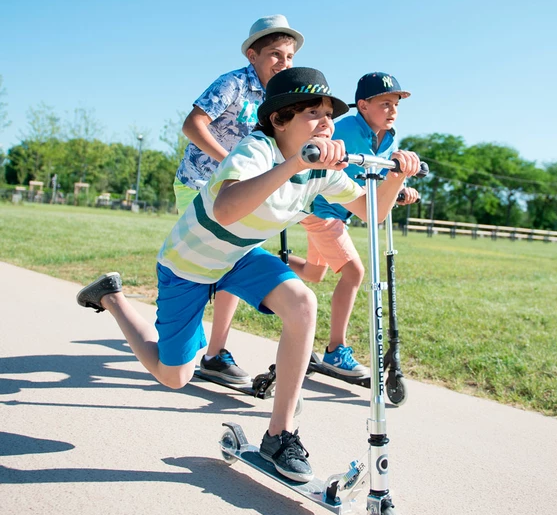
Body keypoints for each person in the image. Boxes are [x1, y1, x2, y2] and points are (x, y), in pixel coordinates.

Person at [76, 67, 420, 483]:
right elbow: (225, 210)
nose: (327, 122)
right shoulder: (256, 149)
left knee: (301, 303)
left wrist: (396, 175)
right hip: (190, 263)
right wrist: (294, 163)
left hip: (239, 255)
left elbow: (373, 210)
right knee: (174, 376)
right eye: (314, 112)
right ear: (279, 119)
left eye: (329, 113)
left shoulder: (321, 168)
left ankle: (280, 435)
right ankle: (112, 298)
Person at [174, 14, 304, 387]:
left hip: (244, 190)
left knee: (235, 258)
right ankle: (185, 345)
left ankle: (214, 354)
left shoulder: (281, 98)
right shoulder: (232, 83)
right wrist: (227, 164)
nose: (283, 63)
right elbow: (192, 124)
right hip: (200, 182)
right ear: (253, 55)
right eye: (275, 55)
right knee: (208, 261)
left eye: (289, 57)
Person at [287, 72, 420, 378]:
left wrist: (397, 190)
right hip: (320, 209)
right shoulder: (343, 129)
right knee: (354, 272)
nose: (393, 110)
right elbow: (313, 158)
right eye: (385, 103)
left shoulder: (389, 138)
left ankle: (268, 261)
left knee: (314, 273)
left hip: (342, 210)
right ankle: (336, 350)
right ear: (362, 105)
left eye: (396, 104)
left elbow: (372, 181)